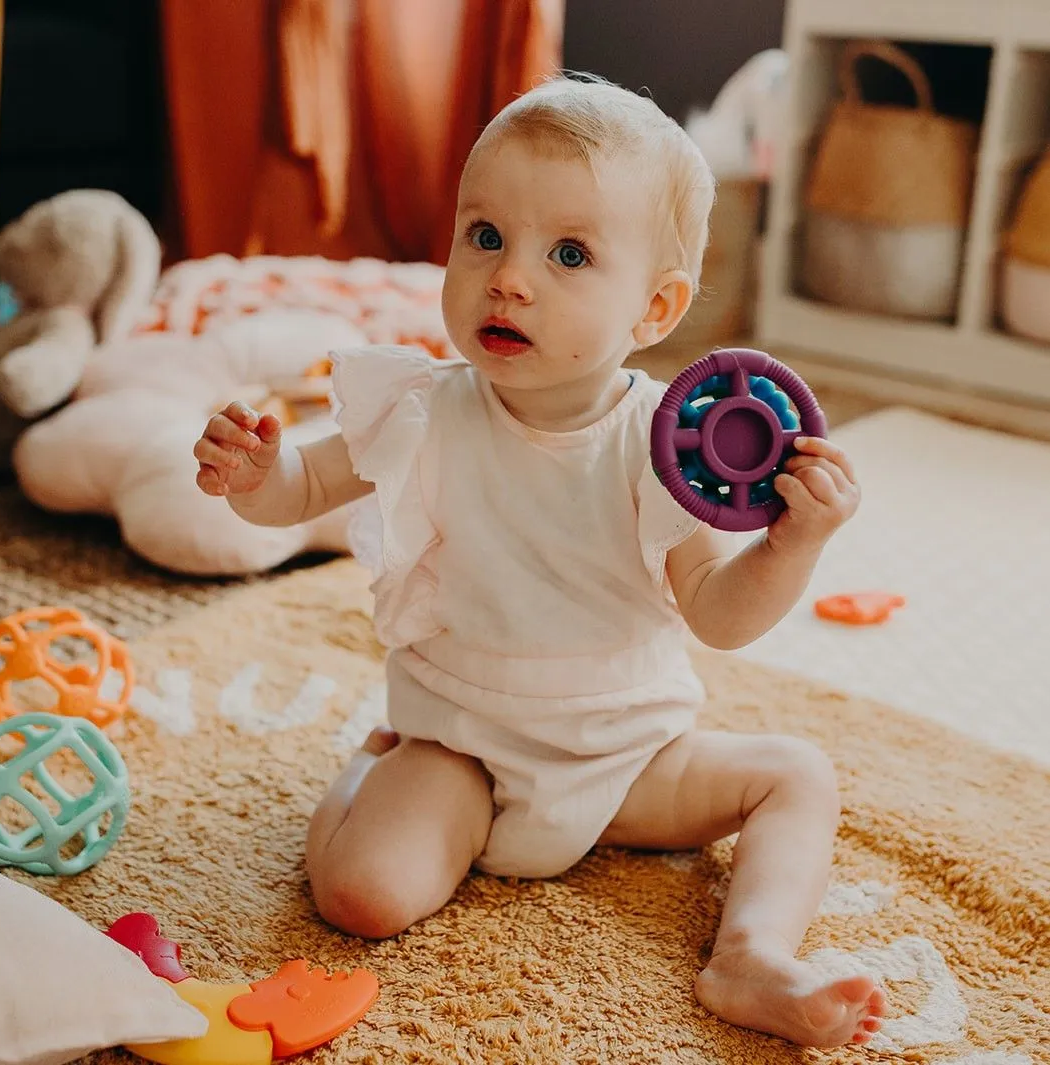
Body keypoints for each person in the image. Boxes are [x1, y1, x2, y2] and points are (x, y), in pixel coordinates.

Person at [193, 74, 883, 1048]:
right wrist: (257, 470)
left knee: (796, 775)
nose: (510, 278)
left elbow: (722, 617)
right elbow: (296, 493)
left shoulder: (660, 443)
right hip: (461, 748)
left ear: (656, 308)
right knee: (360, 895)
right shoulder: (419, 409)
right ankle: (369, 769)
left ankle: (752, 953)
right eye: (485, 237)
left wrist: (793, 540)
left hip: (632, 756)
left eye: (568, 254)